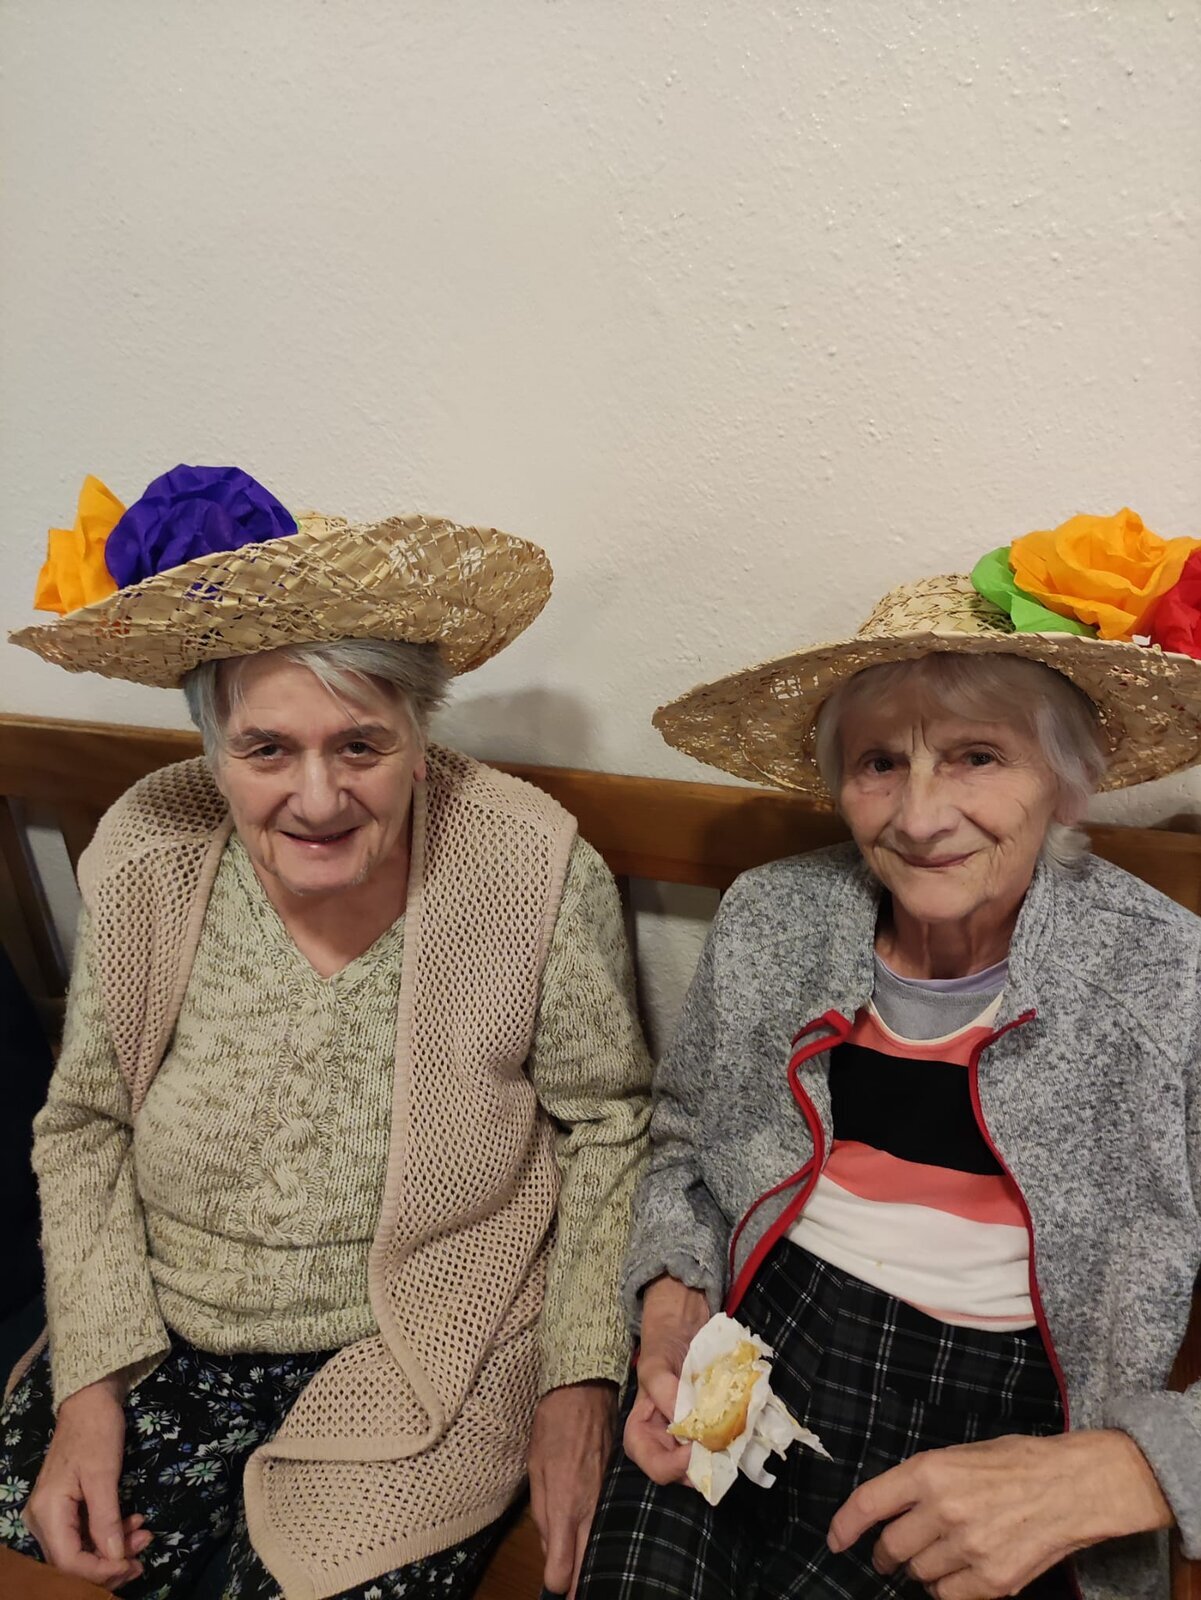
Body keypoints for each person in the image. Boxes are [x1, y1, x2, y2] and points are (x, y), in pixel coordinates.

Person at [1, 464, 652, 1600]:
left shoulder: (526, 864)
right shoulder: (149, 853)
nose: (315, 797)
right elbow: (86, 1124)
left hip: (427, 1343)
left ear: (420, 734)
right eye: (266, 750)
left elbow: (609, 1126)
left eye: (360, 745)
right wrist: (87, 1389)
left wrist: (578, 1377)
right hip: (156, 1332)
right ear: (211, 748)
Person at [578, 521, 1201, 1600]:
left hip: (1009, 1412)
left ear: (1065, 778)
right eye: (879, 763)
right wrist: (674, 1300)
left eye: (976, 756)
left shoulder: (1167, 975)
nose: (919, 816)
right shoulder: (772, 916)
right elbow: (683, 1147)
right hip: (759, 1337)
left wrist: (1135, 1467)